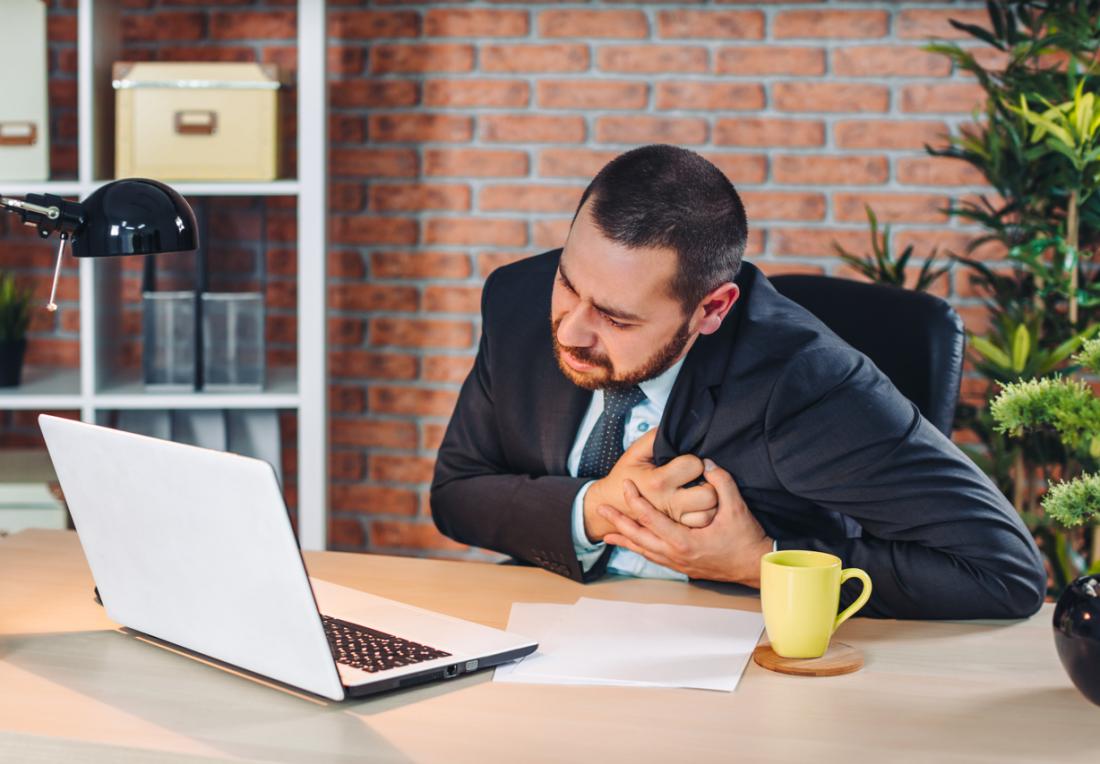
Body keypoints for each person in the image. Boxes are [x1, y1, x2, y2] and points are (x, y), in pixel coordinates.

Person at [430, 144, 1046, 619]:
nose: (570, 332)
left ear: (713, 308)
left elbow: (1004, 574)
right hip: (548, 641)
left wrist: (762, 562)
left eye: (617, 317)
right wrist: (597, 510)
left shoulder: (806, 382)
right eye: (569, 283)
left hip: (750, 669)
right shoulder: (517, 301)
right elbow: (456, 491)